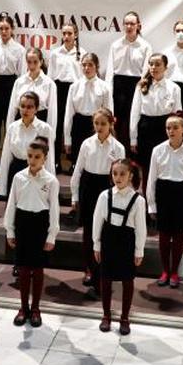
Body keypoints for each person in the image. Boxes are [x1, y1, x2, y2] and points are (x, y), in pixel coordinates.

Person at [4, 137, 60, 328]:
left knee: (37, 269)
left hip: (40, 224)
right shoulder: (19, 177)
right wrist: (10, 230)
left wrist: (52, 235)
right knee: (23, 269)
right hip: (22, 223)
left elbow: (54, 209)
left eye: (37, 157)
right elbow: (12, 204)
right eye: (29, 156)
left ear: (44, 158)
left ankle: (36, 308)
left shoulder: (51, 181)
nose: (32, 160)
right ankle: (23, 307)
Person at [71, 107, 125, 293]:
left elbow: (122, 176)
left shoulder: (118, 148)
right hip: (88, 186)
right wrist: (74, 195)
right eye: (96, 123)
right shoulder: (86, 144)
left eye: (103, 123)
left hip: (107, 187)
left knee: (106, 232)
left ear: (111, 124)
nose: (99, 127)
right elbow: (78, 171)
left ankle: (103, 271)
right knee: (88, 232)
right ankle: (89, 269)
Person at [93, 158, 147, 335]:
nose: (118, 177)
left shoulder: (138, 200)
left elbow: (140, 228)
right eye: (115, 173)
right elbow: (97, 222)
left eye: (122, 174)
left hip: (126, 243)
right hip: (108, 240)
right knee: (106, 279)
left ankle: (124, 317)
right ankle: (106, 315)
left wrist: (139, 250)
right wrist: (96, 244)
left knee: (127, 280)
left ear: (130, 175)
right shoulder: (104, 196)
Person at [147, 115, 183, 289]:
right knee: (163, 235)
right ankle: (164, 270)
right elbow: (152, 179)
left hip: (181, 193)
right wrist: (151, 204)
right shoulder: (158, 150)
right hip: (163, 192)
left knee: (178, 235)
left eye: (175, 127)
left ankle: (175, 271)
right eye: (168, 128)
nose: (171, 131)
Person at [0, 14, 26, 171]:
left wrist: (20, 96)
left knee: (11, 125)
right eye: (1, 28)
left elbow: (22, 76)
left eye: (7, 28)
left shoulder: (20, 49)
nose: (4, 31)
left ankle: (10, 158)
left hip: (11, 86)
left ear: (12, 30)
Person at [129, 53, 180, 184]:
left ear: (165, 67)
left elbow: (178, 116)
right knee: (146, 168)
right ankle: (147, 199)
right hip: (146, 129)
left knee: (165, 166)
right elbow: (135, 113)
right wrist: (133, 138)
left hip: (165, 130)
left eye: (158, 64)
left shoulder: (174, 88)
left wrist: (176, 137)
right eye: (151, 64)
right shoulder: (141, 86)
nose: (153, 67)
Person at [106, 11, 152, 145]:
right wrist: (109, 89)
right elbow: (110, 70)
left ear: (138, 25)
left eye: (132, 23)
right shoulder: (115, 45)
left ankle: (132, 154)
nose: (129, 26)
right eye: (126, 23)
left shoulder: (145, 46)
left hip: (136, 85)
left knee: (134, 119)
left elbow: (145, 71)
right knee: (118, 121)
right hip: (119, 85)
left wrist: (141, 88)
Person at [0, 91, 55, 197]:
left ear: (36, 109)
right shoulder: (12, 127)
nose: (25, 110)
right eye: (22, 106)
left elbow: (49, 159)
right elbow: (6, 158)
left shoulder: (45, 129)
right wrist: (2, 186)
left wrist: (48, 186)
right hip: (15, 170)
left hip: (36, 172)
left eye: (30, 107)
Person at [64, 53, 112, 167]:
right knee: (78, 164)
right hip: (78, 125)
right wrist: (67, 139)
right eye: (84, 65)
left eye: (90, 65)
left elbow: (109, 113)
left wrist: (108, 134)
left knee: (95, 161)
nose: (87, 68)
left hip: (97, 126)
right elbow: (69, 114)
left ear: (97, 66)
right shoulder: (74, 86)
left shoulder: (105, 87)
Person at [48, 23, 81, 170]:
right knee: (58, 126)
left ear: (76, 35)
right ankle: (56, 161)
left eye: (69, 33)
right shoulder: (55, 53)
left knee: (74, 127)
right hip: (59, 90)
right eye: (64, 33)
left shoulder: (82, 53)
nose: (66, 37)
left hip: (75, 91)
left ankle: (74, 162)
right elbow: (50, 77)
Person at [7, 47, 58, 127]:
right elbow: (12, 109)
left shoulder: (49, 84)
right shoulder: (19, 82)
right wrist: (9, 131)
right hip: (21, 124)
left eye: (35, 62)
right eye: (29, 62)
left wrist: (50, 135)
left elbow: (52, 114)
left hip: (40, 125)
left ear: (41, 62)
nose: (32, 66)